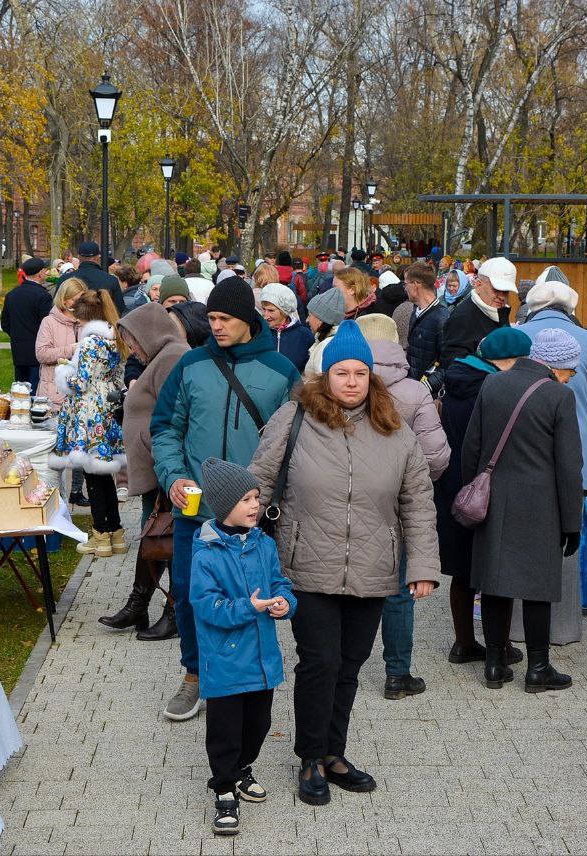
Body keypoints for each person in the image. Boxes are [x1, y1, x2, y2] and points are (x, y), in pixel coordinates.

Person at [249, 320, 439, 806]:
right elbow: (258, 481)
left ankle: (335, 753)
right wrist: (233, 541)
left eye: (359, 373)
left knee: (351, 665)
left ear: (371, 377)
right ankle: (310, 756)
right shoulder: (293, 419)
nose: (351, 381)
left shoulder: (394, 430)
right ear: (325, 375)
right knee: (320, 662)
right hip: (307, 565)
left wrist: (421, 566)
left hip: (374, 568)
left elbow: (417, 500)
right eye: (341, 372)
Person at [150, 275, 301, 722]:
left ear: (248, 320)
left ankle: (245, 678)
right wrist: (173, 475)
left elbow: (294, 444)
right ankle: (195, 676)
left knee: (249, 596)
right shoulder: (190, 365)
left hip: (253, 515)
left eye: (225, 319)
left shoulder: (281, 372)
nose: (215, 326)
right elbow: (165, 429)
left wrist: (272, 498)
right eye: (211, 317)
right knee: (189, 593)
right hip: (194, 510)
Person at [462, 328, 583, 692]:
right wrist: (571, 522)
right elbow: (568, 467)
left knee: (495, 583)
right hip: (540, 505)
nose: (570, 377)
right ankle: (538, 668)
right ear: (556, 366)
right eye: (570, 371)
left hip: (495, 500)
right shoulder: (559, 397)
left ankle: (495, 663)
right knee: (537, 588)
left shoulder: (492, 385)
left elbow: (472, 448)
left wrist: (476, 493)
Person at [190, 458, 296, 837]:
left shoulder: (264, 545)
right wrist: (246, 607)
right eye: (246, 499)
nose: (255, 505)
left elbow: (278, 582)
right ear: (224, 505)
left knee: (259, 723)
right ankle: (223, 788)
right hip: (225, 663)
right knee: (224, 732)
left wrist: (285, 603)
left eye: (256, 497)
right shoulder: (206, 553)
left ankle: (241, 769)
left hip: (262, 659)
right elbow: (205, 606)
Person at [357, 315, 449, 699]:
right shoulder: (414, 390)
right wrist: (415, 482)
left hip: (347, 499)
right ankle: (398, 674)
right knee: (397, 590)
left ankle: (345, 662)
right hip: (397, 503)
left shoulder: (339, 382)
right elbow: (437, 455)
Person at [517, 274, 587, 644]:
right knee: (567, 541)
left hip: (523, 453)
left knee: (521, 541)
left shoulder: (519, 335)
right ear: (571, 307)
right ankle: (563, 628)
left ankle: (518, 628)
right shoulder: (586, 340)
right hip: (574, 451)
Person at [435, 328, 530, 666]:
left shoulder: (457, 378)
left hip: (453, 487)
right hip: (488, 488)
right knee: (494, 569)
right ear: (508, 360)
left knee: (462, 570)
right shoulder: (494, 388)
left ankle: (463, 643)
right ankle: (499, 646)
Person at [101, 302, 190, 637]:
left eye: (133, 340)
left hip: (163, 467)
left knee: (163, 537)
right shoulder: (161, 357)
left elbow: (177, 414)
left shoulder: (171, 357)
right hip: (155, 466)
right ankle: (139, 606)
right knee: (156, 535)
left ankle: (168, 611)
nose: (132, 349)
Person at [49, 291, 126, 557]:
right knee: (104, 474)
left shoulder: (91, 343)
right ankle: (115, 532)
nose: (77, 326)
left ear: (86, 318)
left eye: (78, 322)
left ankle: (100, 535)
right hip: (106, 409)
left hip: (88, 413)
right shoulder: (114, 339)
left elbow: (79, 383)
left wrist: (63, 373)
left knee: (93, 476)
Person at [439, 256, 516, 370]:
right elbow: (454, 366)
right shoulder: (463, 317)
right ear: (478, 285)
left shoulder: (498, 311)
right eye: (495, 290)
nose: (501, 296)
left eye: (505, 292)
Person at [1, 257, 54, 389]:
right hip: (37, 351)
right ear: (40, 273)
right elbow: (47, 324)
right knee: (35, 391)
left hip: (18, 350)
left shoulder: (12, 294)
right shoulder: (43, 296)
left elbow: (5, 324)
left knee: (20, 392)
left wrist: (17, 335)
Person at [35, 278, 85, 412]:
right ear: (64, 300)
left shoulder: (86, 322)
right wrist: (72, 349)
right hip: (54, 398)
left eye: (82, 299)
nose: (80, 304)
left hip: (81, 397)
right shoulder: (49, 322)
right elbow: (42, 354)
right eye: (76, 300)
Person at [401, 262, 450, 397]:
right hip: (413, 389)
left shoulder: (443, 318)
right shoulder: (415, 311)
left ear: (416, 285)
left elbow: (448, 363)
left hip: (427, 395)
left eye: (406, 284)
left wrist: (426, 386)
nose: (405, 288)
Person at [260, 282, 314, 373]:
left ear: (284, 311)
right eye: (263, 309)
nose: (265, 316)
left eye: (271, 310)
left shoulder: (304, 335)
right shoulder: (259, 332)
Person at [302, 285, 347, 376]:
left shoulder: (326, 346)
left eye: (310, 315)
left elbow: (321, 383)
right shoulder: (335, 339)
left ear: (321, 319)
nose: (307, 320)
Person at [73, 240, 127, 313]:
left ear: (79, 257)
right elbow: (120, 309)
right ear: (98, 257)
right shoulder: (111, 280)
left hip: (72, 321)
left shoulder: (65, 279)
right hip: (103, 322)